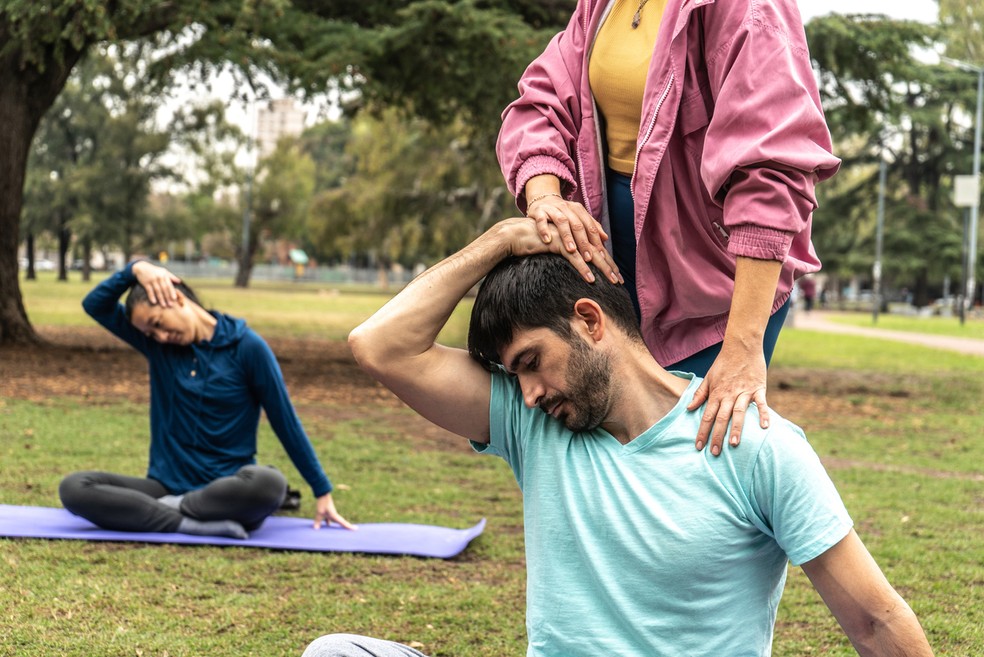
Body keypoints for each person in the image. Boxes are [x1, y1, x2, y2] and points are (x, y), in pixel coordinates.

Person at [304, 218, 934, 657]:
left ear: (588, 320)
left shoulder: (752, 443)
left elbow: (877, 622)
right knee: (334, 652)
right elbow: (379, 347)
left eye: (530, 362)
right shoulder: (533, 425)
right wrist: (500, 241)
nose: (527, 394)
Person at [496, 0, 841, 456]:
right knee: (608, 449)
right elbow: (541, 101)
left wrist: (741, 347)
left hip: (718, 286)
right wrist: (545, 196)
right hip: (610, 258)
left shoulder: (749, 8)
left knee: (691, 458)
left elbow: (771, 170)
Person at [59, 260, 354, 539]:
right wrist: (136, 269)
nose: (159, 337)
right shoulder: (160, 349)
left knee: (270, 484)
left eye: (158, 323)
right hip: (164, 487)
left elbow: (284, 421)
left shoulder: (248, 348)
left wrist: (322, 490)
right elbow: (95, 305)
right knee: (74, 487)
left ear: (174, 297)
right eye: (150, 333)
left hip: (225, 492)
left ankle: (165, 512)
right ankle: (184, 522)